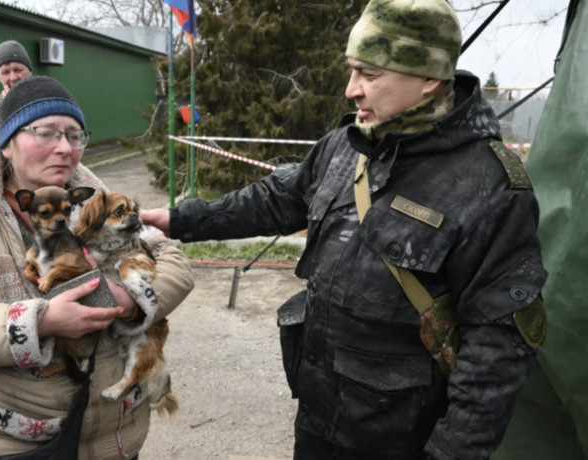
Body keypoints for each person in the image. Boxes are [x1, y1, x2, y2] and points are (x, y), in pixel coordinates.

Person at [141, 1, 548, 459]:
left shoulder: (492, 186)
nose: (352, 90)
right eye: (352, 70)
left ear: (429, 77)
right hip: (319, 414)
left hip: (402, 438)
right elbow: (278, 199)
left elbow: (497, 346)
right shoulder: (344, 145)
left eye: (370, 75)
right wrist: (180, 219)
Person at [0, 75, 194, 458]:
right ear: (8, 144)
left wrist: (131, 298)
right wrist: (39, 322)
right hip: (21, 442)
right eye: (46, 133)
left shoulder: (96, 201)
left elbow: (173, 261)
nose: (64, 147)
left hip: (116, 439)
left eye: (75, 135)